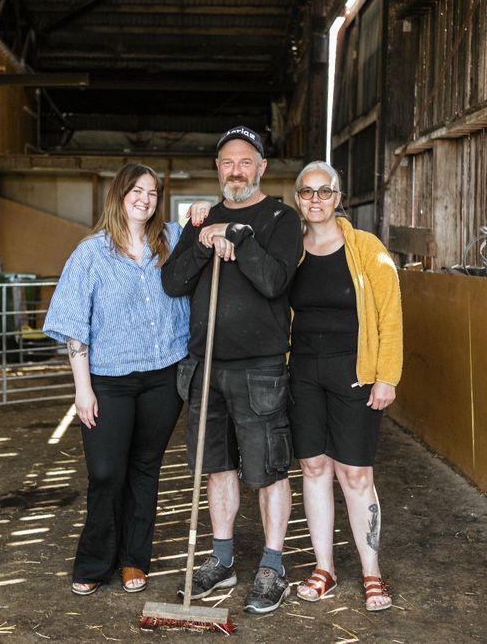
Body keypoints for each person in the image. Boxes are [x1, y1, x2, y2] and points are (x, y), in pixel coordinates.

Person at [161, 126, 303, 614]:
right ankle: (221, 560)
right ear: (217, 169)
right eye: (227, 162)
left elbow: (274, 281)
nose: (236, 171)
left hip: (260, 369)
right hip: (205, 367)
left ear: (261, 167)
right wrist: (204, 243)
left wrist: (238, 238)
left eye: (245, 162)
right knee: (216, 466)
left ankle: (272, 566)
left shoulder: (281, 218)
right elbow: (173, 282)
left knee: (267, 470)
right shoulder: (201, 220)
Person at [43, 162, 189, 597]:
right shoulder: (91, 254)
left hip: (163, 376)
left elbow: (206, 233)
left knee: (145, 469)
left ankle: (133, 559)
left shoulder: (171, 241)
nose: (145, 199)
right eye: (136, 191)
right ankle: (94, 561)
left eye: (152, 192)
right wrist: (82, 388)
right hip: (109, 380)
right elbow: (74, 325)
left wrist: (204, 213)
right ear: (120, 196)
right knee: (107, 472)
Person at [287, 161, 403, 612]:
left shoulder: (366, 247)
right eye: (307, 191)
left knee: (355, 474)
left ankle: (371, 572)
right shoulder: (290, 250)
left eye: (324, 191)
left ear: (338, 198)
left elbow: (390, 313)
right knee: (313, 467)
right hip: (303, 371)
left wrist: (387, 376)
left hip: (354, 370)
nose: (315, 199)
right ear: (297, 199)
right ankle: (325, 568)